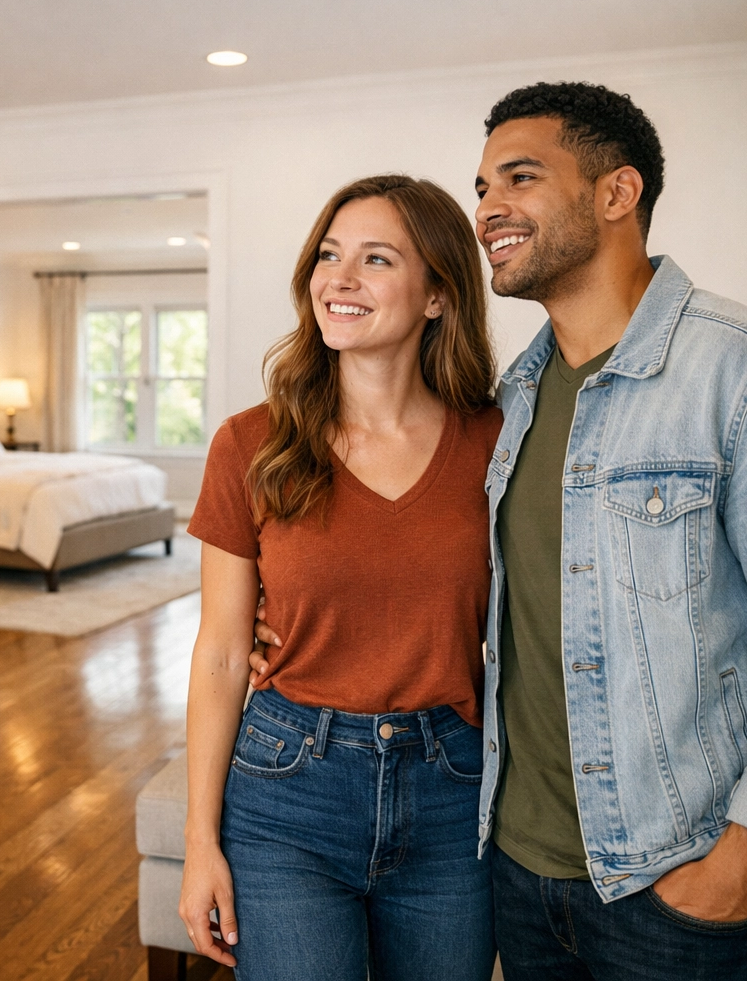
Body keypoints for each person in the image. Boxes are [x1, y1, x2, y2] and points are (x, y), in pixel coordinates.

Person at [252, 83, 747, 980]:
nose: (487, 210)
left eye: (520, 177)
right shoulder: (509, 402)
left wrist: (739, 868)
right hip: (519, 874)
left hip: (680, 881)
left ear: (616, 194)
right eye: (481, 187)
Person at [179, 175, 502, 980]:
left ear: (437, 295)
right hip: (288, 789)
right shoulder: (249, 443)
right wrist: (198, 842)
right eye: (329, 255)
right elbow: (222, 652)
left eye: (376, 258)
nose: (339, 279)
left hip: (454, 790)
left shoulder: (498, 441)